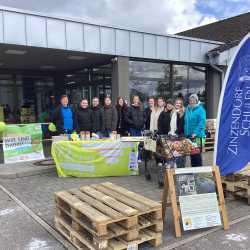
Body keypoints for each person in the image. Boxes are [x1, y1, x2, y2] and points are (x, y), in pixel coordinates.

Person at [184, 94, 206, 167]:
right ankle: (194, 173)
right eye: (190, 100)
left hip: (197, 137)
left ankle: (199, 174)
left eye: (194, 100)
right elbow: (186, 122)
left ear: (196, 101)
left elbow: (202, 123)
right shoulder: (188, 109)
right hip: (189, 136)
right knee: (192, 156)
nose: (192, 101)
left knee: (196, 156)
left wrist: (195, 133)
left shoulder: (200, 110)